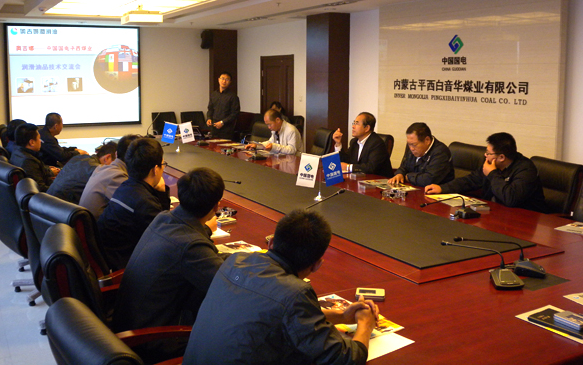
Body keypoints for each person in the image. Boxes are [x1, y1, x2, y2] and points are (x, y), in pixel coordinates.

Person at [183, 209, 379, 365]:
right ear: (317, 264)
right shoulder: (295, 293)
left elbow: (281, 315)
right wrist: (365, 325)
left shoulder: (235, 260)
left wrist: (342, 316)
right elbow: (346, 359)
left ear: (271, 243)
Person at [113, 168, 229, 363]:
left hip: (129, 324)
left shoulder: (164, 218)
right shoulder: (191, 246)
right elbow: (227, 286)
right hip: (154, 340)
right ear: (216, 206)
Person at [424, 132, 547, 212]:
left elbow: (511, 198)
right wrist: (442, 188)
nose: (485, 155)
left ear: (502, 157)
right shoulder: (491, 164)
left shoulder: (526, 170)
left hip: (524, 220)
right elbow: (470, 180)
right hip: (495, 212)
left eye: (488, 153)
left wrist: (492, 173)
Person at [97, 137, 171, 270]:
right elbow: (168, 240)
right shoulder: (144, 202)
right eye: (163, 164)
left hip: (111, 258)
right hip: (125, 269)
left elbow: (162, 222)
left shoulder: (125, 187)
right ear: (155, 169)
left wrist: (161, 192)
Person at [79, 134, 138, 218]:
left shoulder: (101, 168)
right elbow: (134, 207)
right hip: (97, 225)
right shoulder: (118, 176)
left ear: (116, 154)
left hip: (89, 222)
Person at [47, 141, 117, 204]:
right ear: (107, 158)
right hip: (65, 209)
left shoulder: (78, 158)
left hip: (48, 205)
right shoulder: (98, 170)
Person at [388, 122, 454, 187]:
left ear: (427, 140)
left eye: (414, 145)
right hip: (415, 188)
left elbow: (428, 180)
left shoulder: (441, 152)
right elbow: (404, 167)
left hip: (437, 192)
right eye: (409, 144)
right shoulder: (412, 146)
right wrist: (399, 174)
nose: (411, 148)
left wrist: (408, 177)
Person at [333, 112, 393, 176]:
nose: (353, 126)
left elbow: (371, 167)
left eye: (357, 124)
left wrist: (348, 167)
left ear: (367, 128)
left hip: (379, 179)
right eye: (354, 123)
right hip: (360, 179)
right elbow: (346, 160)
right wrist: (338, 143)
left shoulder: (377, 143)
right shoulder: (354, 142)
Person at [9, 123, 59, 191]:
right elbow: (40, 189)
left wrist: (47, 170)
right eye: (39, 138)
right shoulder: (29, 162)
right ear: (31, 142)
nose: (40, 141)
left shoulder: (16, 152)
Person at [206, 72, 240, 140]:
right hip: (214, 128)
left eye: (227, 79)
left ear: (230, 82)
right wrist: (209, 118)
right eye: (222, 78)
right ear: (218, 80)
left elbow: (235, 113)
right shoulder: (214, 94)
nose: (224, 81)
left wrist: (222, 122)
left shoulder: (233, 96)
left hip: (226, 130)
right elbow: (210, 109)